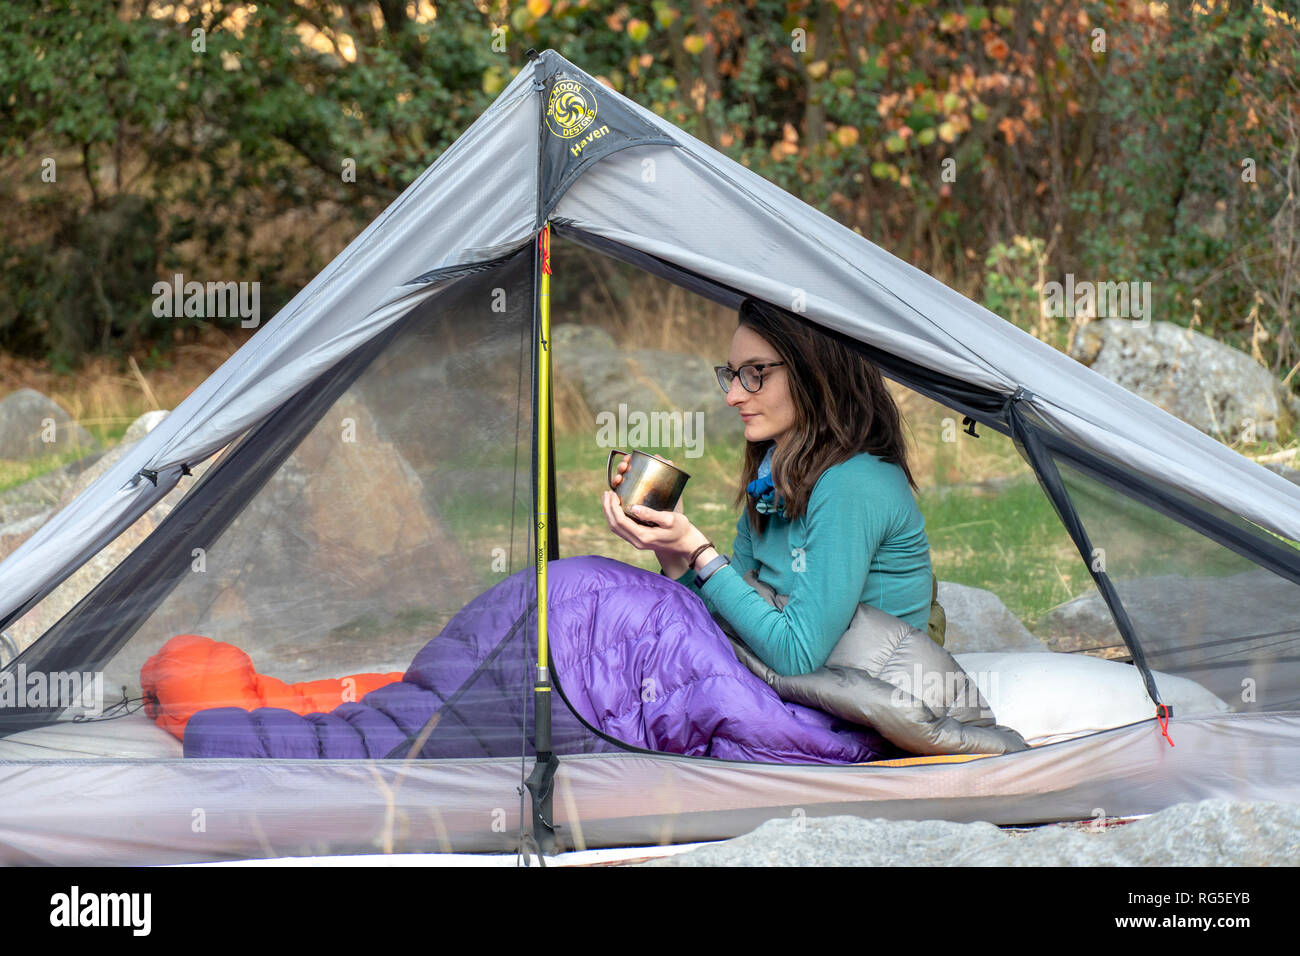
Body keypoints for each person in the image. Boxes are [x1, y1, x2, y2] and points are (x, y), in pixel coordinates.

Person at [601, 296, 934, 678]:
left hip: (860, 708)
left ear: (814, 372)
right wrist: (670, 544)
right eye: (733, 374)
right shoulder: (773, 479)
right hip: (799, 699)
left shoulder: (853, 483)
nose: (733, 396)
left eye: (756, 373)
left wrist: (699, 549)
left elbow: (796, 655)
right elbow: (721, 622)